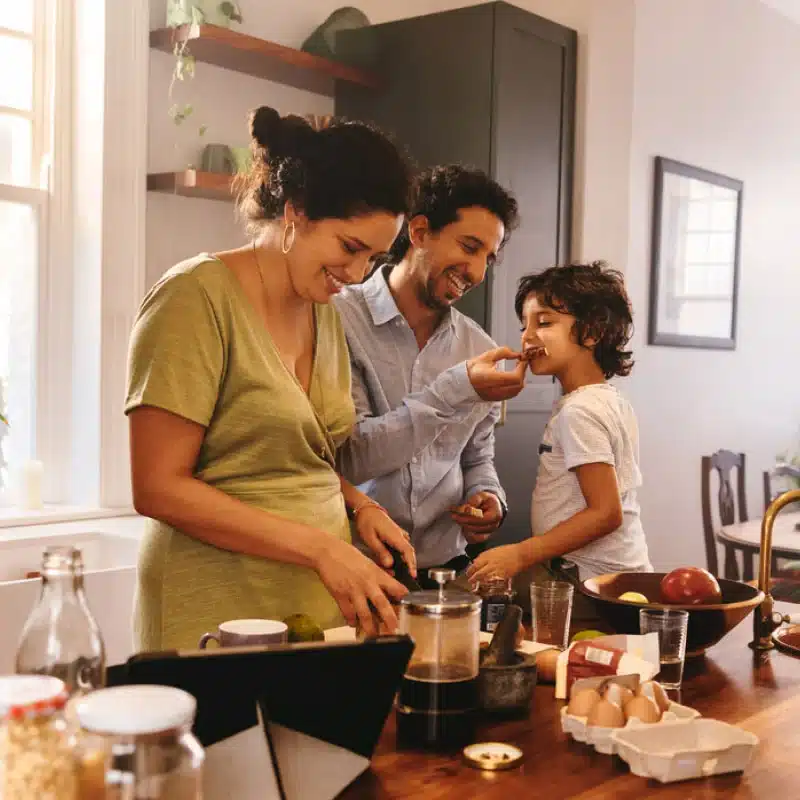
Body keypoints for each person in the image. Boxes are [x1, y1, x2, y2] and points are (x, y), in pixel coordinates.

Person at [125, 107, 418, 650]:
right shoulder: (194, 297)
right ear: (295, 210)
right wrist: (322, 549)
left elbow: (289, 455)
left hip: (313, 606)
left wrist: (359, 505)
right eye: (349, 247)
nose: (356, 275)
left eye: (374, 258)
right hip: (214, 608)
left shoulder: (324, 309)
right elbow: (157, 487)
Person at [335, 165, 525, 584]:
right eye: (469, 247)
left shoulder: (478, 347)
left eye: (487, 259)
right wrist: (455, 389)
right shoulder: (338, 320)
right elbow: (350, 458)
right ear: (419, 232)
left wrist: (489, 497)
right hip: (357, 567)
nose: (476, 272)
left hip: (446, 571)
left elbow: (477, 456)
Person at [468, 261, 652, 585]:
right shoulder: (607, 400)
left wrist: (520, 554)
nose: (527, 336)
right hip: (608, 578)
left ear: (593, 332)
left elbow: (606, 513)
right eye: (524, 325)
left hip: (590, 584)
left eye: (544, 322)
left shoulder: (580, 412)